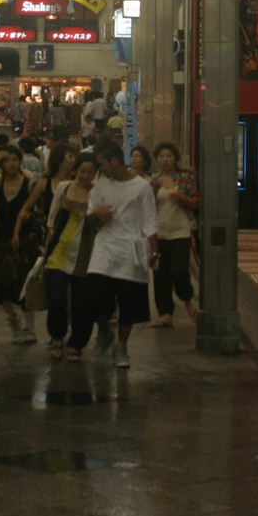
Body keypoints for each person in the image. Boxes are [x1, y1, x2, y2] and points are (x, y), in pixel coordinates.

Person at [84, 140, 158, 368]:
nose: (100, 169)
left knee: (129, 302)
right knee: (95, 294)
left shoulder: (141, 187)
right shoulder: (100, 186)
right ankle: (104, 331)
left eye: (102, 164)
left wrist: (154, 249)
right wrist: (96, 214)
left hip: (131, 248)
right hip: (105, 246)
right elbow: (89, 214)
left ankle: (122, 345)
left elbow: (150, 220)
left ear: (114, 161)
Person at [43, 154, 97, 360]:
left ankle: (77, 344)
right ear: (75, 171)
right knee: (56, 298)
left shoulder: (98, 193)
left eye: (90, 172)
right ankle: (57, 337)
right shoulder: (63, 188)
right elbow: (52, 219)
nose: (85, 176)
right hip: (59, 251)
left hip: (86, 254)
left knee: (82, 302)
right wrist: (46, 248)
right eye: (82, 171)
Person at [0, 145, 39, 344]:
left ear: (20, 161)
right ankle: (13, 319)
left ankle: (30, 329)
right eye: (7, 160)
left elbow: (40, 208)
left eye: (15, 159)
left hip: (24, 240)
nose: (11, 164)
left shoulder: (29, 184)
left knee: (25, 286)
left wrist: (30, 216)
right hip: (2, 239)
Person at [149, 142, 199, 327]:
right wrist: (154, 190)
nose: (165, 160)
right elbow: (147, 207)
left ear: (176, 158)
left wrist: (181, 198)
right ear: (156, 160)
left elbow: (196, 202)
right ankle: (165, 313)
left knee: (179, 271)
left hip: (181, 231)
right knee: (160, 274)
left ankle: (187, 300)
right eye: (161, 157)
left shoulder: (185, 178)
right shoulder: (154, 180)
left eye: (169, 156)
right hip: (159, 233)